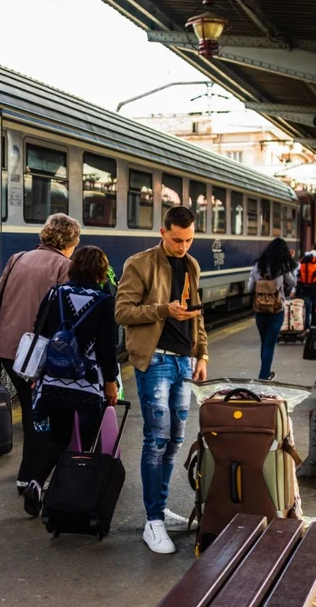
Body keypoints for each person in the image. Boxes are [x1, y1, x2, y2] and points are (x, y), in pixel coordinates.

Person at [116, 206, 208, 555]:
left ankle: (162, 509)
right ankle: (152, 520)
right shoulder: (139, 264)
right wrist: (164, 310)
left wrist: (202, 354)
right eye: (177, 240)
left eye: (189, 240)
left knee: (175, 439)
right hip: (155, 360)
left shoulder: (192, 264)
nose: (183, 246)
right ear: (163, 232)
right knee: (156, 439)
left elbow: (198, 315)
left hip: (184, 361)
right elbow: (122, 312)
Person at [20, 246, 120, 517]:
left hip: (54, 380)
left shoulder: (55, 293)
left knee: (57, 435)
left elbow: (40, 331)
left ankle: (36, 483)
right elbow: (107, 346)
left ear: (74, 267)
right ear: (101, 270)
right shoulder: (103, 300)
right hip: (87, 384)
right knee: (86, 440)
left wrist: (38, 373)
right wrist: (111, 381)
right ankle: (71, 493)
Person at [0, 213, 81, 494]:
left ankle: (29, 474)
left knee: (32, 409)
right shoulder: (64, 266)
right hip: (39, 352)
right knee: (42, 415)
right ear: (71, 241)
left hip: (10, 347)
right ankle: (31, 476)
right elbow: (65, 313)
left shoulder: (17, 258)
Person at [247, 238, 297, 380]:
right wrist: (290, 264)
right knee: (270, 344)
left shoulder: (257, 266)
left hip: (260, 311)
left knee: (265, 343)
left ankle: (265, 372)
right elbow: (293, 282)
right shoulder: (282, 267)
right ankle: (264, 376)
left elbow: (249, 288)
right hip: (276, 310)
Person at [296, 242, 316, 332]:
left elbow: (297, 273)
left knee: (306, 306)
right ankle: (313, 327)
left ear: (312, 248)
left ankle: (305, 327)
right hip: (315, 286)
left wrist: (294, 289)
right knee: (315, 306)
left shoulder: (304, 258)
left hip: (303, 286)